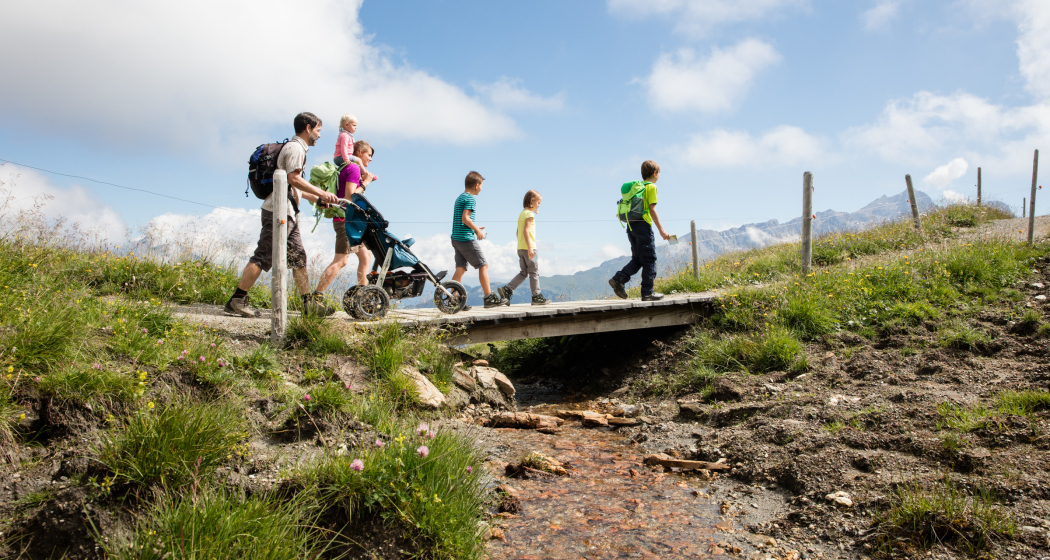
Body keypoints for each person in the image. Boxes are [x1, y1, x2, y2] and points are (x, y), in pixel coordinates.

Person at [224, 112, 339, 318]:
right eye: (318, 130)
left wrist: (317, 200)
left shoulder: (296, 148)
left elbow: (292, 187)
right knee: (263, 256)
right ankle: (237, 300)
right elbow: (294, 179)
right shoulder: (295, 148)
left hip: (288, 213)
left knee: (298, 258)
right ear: (308, 128)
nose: (319, 136)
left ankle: (308, 306)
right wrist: (322, 192)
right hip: (278, 213)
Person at [314, 140, 375, 294]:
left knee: (365, 256)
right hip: (345, 221)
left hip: (351, 222)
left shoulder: (345, 167)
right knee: (341, 260)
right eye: (369, 155)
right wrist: (366, 183)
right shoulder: (353, 168)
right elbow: (350, 197)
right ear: (359, 153)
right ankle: (316, 296)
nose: (371, 159)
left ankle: (364, 296)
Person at [608, 160, 670, 302]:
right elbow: (652, 210)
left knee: (638, 259)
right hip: (643, 226)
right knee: (649, 259)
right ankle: (647, 292)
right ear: (655, 173)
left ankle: (619, 279)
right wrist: (662, 230)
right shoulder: (651, 188)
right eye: (659, 173)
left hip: (631, 226)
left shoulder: (638, 187)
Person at [451, 171, 504, 308]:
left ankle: (454, 300)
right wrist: (477, 230)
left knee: (460, 269)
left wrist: (474, 227)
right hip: (466, 239)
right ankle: (489, 297)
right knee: (483, 265)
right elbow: (466, 218)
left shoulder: (460, 197)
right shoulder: (470, 199)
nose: (481, 189)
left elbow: (461, 221)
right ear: (476, 185)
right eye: (481, 186)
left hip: (456, 238)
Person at [497, 190, 547, 305]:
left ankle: (507, 289)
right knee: (534, 272)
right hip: (531, 249)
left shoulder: (522, 213)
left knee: (524, 273)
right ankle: (536, 296)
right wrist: (530, 247)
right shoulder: (529, 214)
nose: (539, 205)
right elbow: (525, 230)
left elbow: (518, 232)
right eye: (538, 203)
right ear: (532, 201)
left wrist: (522, 245)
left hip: (520, 248)